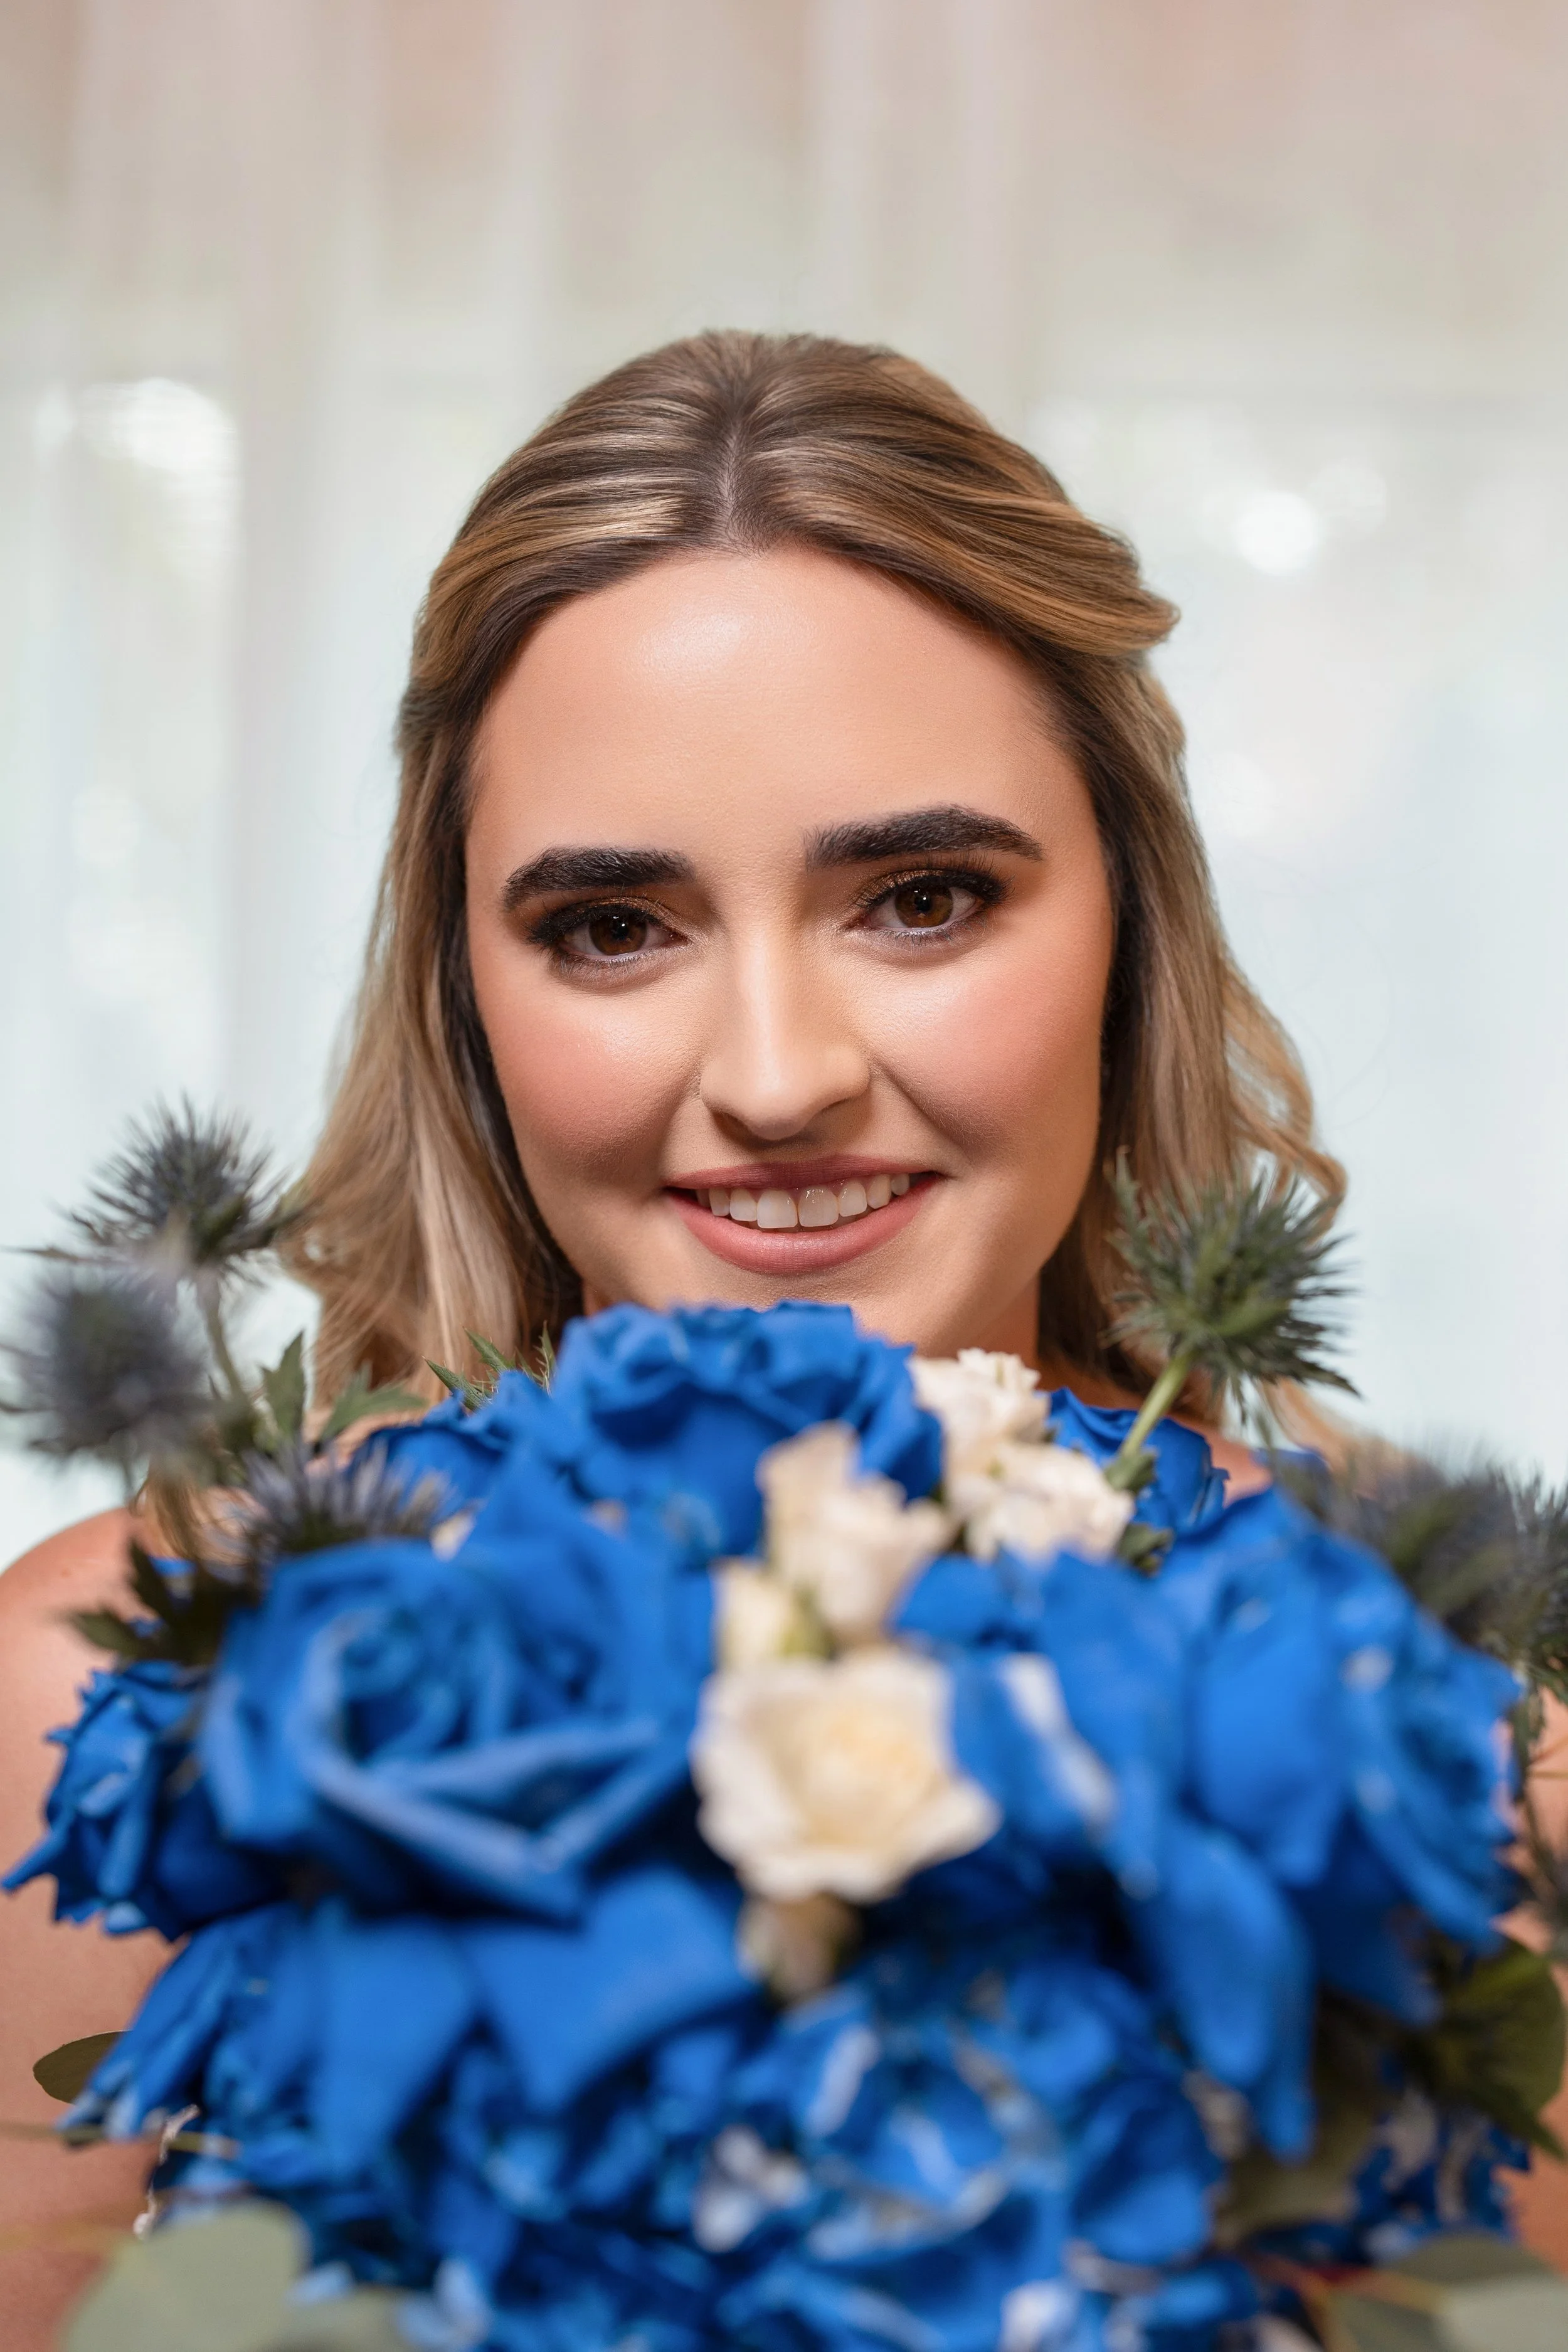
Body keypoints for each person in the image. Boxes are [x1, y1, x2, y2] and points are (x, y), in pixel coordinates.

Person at [0, 331, 1554, 2343]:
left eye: (918, 896)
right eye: (612, 927)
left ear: (1125, 923)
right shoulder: (116, 1685)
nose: (775, 1075)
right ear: (466, 989)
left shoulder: (1429, 1727)